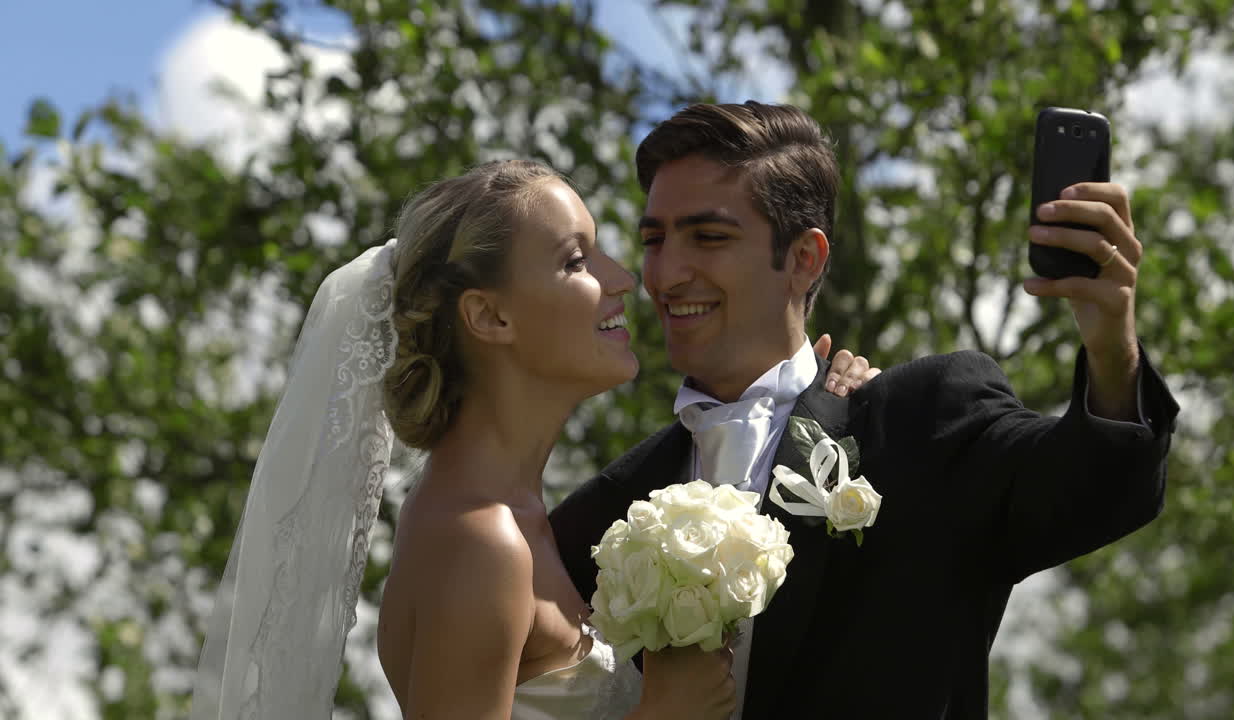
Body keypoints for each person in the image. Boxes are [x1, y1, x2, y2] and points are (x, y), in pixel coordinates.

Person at [549, 101, 1181, 719]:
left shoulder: (921, 422)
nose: (667, 272)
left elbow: (1099, 487)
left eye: (708, 237)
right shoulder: (602, 515)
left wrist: (1110, 338)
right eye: (655, 239)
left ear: (803, 260)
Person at [189, 159, 876, 719]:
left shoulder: (530, 526)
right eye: (577, 261)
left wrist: (816, 411)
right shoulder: (480, 543)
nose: (624, 279)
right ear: (489, 316)